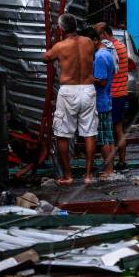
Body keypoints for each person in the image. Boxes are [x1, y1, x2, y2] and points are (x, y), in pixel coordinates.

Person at [43, 13, 98, 186]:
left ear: (62, 28)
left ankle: (68, 175)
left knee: (62, 134)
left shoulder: (60, 46)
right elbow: (92, 58)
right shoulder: (88, 42)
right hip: (88, 89)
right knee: (89, 133)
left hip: (68, 91)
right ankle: (88, 175)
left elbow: (46, 58)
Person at [96, 22, 130, 169]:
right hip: (121, 92)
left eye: (98, 35)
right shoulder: (121, 46)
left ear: (104, 34)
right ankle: (121, 160)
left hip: (113, 93)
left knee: (111, 131)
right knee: (118, 128)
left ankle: (113, 163)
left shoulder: (110, 49)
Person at [84, 27, 116, 180]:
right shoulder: (107, 53)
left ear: (95, 41)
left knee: (103, 138)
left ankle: (109, 169)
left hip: (101, 101)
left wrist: (89, 79)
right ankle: (110, 168)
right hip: (106, 100)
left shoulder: (100, 57)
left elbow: (102, 81)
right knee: (108, 137)